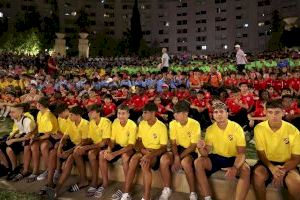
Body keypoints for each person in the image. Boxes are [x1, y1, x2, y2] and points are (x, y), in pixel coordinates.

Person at [194, 101, 250, 200]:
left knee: (246, 169)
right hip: (217, 158)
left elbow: (241, 153)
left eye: (221, 111)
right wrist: (200, 147)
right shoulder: (210, 129)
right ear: (212, 115)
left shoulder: (237, 128)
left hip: (233, 158)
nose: (219, 114)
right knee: (198, 162)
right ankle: (207, 197)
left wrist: (235, 167)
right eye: (216, 112)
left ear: (227, 113)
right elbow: (205, 153)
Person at [252, 100, 300, 200]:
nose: (274, 116)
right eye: (270, 112)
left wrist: (282, 170)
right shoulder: (259, 128)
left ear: (283, 112)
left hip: (287, 163)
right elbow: (261, 154)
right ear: (265, 112)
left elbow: (296, 158)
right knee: (258, 175)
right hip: (267, 162)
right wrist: (272, 168)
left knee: (296, 182)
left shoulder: (293, 130)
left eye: (277, 112)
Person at [120, 103, 168, 200]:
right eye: (143, 112)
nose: (143, 115)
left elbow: (163, 148)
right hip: (144, 151)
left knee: (145, 163)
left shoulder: (161, 126)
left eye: (145, 113)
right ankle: (126, 193)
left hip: (155, 153)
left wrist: (149, 154)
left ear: (153, 113)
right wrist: (142, 149)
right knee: (133, 160)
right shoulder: (142, 124)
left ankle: (146, 197)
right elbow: (139, 141)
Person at [159, 101, 200, 200]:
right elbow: (173, 143)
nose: (174, 115)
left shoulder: (195, 124)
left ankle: (193, 193)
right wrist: (176, 156)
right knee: (164, 159)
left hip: (190, 150)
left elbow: (193, 146)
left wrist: (179, 158)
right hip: (177, 148)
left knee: (186, 163)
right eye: (174, 113)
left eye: (177, 113)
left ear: (185, 113)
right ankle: (167, 189)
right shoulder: (173, 124)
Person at [46, 106, 89, 199]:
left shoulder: (85, 124)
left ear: (78, 116)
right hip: (74, 145)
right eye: (70, 115)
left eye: (72, 115)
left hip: (83, 147)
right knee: (53, 152)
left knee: (70, 158)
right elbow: (65, 136)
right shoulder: (71, 122)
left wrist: (68, 151)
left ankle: (57, 189)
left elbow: (84, 142)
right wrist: (60, 147)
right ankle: (49, 184)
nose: (70, 117)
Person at [96, 105, 137, 199]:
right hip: (118, 145)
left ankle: (126, 188)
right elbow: (112, 140)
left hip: (129, 147)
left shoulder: (132, 125)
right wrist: (109, 150)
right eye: (119, 113)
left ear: (128, 115)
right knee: (102, 154)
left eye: (123, 113)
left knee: (125, 157)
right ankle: (105, 183)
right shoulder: (115, 122)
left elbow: (131, 146)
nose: (120, 116)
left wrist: (114, 154)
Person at [72, 104, 111, 196]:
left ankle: (94, 182)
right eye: (88, 112)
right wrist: (81, 145)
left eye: (91, 112)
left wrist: (86, 147)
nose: (89, 114)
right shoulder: (92, 122)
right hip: (95, 145)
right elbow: (89, 138)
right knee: (76, 152)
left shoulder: (105, 122)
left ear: (98, 113)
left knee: (91, 153)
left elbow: (104, 143)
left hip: (105, 146)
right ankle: (83, 180)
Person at [1, 103, 36, 180]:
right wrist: (14, 136)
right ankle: (12, 168)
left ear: (20, 112)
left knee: (16, 147)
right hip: (23, 137)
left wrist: (14, 140)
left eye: (12, 112)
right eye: (10, 112)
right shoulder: (16, 119)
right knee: (5, 147)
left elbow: (28, 137)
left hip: (31, 139)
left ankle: (22, 169)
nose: (10, 114)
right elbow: (20, 130)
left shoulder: (27, 120)